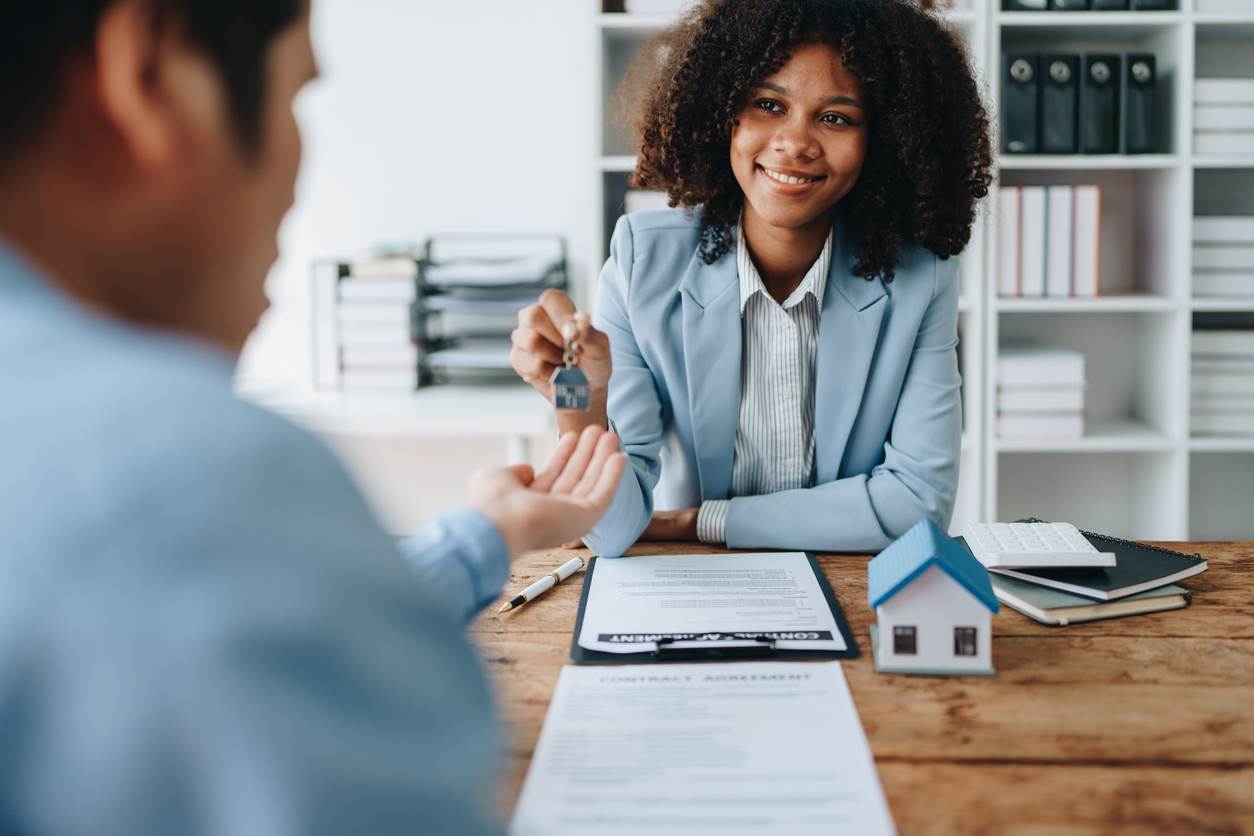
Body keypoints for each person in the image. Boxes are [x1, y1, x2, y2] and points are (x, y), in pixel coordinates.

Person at [0, 2, 624, 834]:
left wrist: (488, 531)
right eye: (299, 97)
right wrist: (583, 413)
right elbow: (613, 501)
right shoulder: (188, 484)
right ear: (149, 75)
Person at [510, 0, 992, 556]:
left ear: (884, 141)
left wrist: (692, 522)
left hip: (848, 591)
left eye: (835, 117)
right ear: (723, 113)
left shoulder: (919, 278)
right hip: (689, 594)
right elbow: (612, 530)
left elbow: (916, 505)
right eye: (768, 104)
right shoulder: (643, 261)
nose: (794, 143)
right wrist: (581, 401)